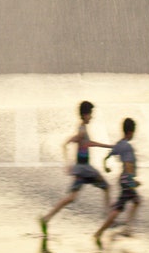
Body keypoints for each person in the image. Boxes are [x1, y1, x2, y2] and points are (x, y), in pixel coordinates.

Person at [40, 101, 112, 235]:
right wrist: (68, 162)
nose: (91, 117)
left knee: (72, 197)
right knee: (107, 187)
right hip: (85, 169)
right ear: (85, 115)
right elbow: (71, 142)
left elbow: (85, 143)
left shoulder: (82, 128)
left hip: (81, 169)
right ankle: (108, 216)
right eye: (90, 114)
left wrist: (108, 146)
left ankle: (46, 218)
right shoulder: (82, 130)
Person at [94, 117, 139, 246]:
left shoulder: (120, 144)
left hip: (123, 179)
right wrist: (132, 182)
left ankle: (127, 228)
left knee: (136, 201)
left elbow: (107, 156)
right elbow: (128, 165)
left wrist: (106, 166)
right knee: (118, 209)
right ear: (131, 132)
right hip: (126, 180)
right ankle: (100, 232)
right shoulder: (128, 147)